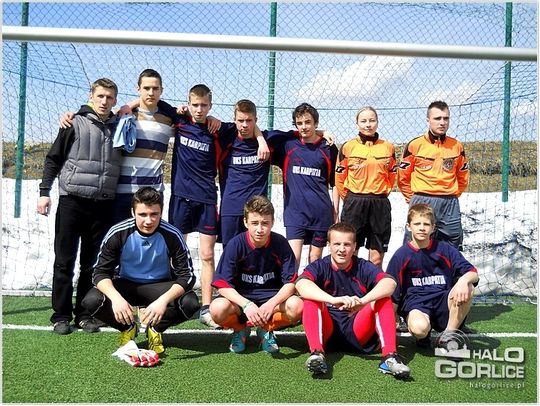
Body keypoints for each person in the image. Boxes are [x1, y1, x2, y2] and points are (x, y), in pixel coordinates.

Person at [164, 85, 267, 328]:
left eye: (204, 105)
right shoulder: (180, 121)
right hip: (180, 196)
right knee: (174, 252)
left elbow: (247, 124)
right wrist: (130, 106)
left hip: (208, 198)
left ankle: (206, 307)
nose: (199, 109)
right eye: (195, 105)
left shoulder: (219, 130)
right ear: (188, 103)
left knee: (208, 255)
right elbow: (153, 103)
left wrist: (261, 139)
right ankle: (170, 302)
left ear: (211, 106)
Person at [37, 78, 122, 335]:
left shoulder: (120, 126)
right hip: (72, 201)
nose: (104, 101)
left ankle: (85, 314)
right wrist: (44, 192)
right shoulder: (74, 123)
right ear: (91, 96)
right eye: (100, 96)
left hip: (103, 204)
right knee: (64, 261)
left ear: (115, 100)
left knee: (91, 264)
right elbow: (53, 159)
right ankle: (60, 316)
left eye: (109, 97)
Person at [81, 187, 199, 354]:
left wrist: (163, 301)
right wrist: (116, 299)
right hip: (126, 284)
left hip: (160, 286)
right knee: (92, 300)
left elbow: (187, 276)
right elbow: (100, 273)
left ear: (161, 212)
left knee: (190, 303)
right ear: (133, 212)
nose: (148, 221)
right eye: (142, 214)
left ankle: (155, 329)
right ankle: (128, 327)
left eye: (154, 214)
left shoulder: (172, 234)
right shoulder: (118, 233)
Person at [59, 69, 178, 223]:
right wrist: (72, 115)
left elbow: (193, 122)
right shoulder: (122, 117)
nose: (151, 92)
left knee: (148, 237)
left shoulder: (169, 121)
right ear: (138, 89)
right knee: (119, 237)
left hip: (153, 192)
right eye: (146, 88)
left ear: (161, 90)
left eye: (155, 88)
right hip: (122, 192)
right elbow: (96, 118)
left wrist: (206, 119)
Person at [295, 222, 411, 378]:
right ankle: (317, 353)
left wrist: (363, 302)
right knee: (311, 299)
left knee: (382, 299)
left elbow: (390, 283)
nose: (342, 249)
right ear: (329, 245)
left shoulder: (363, 266)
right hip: (327, 332)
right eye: (337, 244)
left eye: (347, 244)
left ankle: (389, 357)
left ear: (355, 246)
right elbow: (301, 285)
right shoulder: (320, 266)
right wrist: (332, 300)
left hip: (357, 331)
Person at [209, 195, 303, 354]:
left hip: (272, 300)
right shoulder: (235, 244)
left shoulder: (280, 243)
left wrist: (271, 304)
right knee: (217, 309)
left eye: (265, 223)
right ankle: (240, 329)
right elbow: (222, 284)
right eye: (254, 223)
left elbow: (291, 283)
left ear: (272, 222)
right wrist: (247, 305)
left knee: (297, 306)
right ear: (245, 222)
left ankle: (266, 329)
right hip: (241, 302)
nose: (260, 229)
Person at [386, 203, 479, 348]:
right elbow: (392, 292)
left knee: (468, 287)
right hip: (417, 304)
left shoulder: (444, 249)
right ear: (408, 227)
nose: (422, 228)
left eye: (426, 224)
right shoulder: (401, 255)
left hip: (443, 301)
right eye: (417, 224)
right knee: (420, 329)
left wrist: (463, 281)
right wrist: (390, 327)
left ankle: (448, 335)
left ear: (433, 228)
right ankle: (423, 335)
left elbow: (473, 273)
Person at [272, 103, 338, 267]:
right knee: (293, 258)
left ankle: (312, 285)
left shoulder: (328, 148)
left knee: (315, 260)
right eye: (299, 123)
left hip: (321, 213)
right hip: (295, 213)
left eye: (308, 122)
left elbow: (335, 183)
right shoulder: (288, 146)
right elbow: (270, 136)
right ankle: (291, 285)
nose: (304, 127)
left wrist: (335, 212)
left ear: (316, 123)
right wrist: (321, 131)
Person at [398, 100, 469, 251]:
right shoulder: (415, 145)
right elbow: (403, 177)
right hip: (422, 200)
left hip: (449, 203)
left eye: (446, 118)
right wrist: (413, 199)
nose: (442, 122)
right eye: (437, 118)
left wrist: (452, 194)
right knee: (414, 248)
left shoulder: (457, 146)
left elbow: (463, 176)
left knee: (452, 249)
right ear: (428, 120)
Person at [334, 106, 397, 268]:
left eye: (372, 120)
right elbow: (339, 178)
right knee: (349, 252)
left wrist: (382, 192)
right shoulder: (348, 147)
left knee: (377, 257)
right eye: (363, 121)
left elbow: (392, 175)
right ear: (357, 124)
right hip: (355, 202)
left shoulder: (388, 147)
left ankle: (373, 282)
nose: (368, 124)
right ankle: (349, 281)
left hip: (379, 203)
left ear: (377, 122)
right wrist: (349, 198)